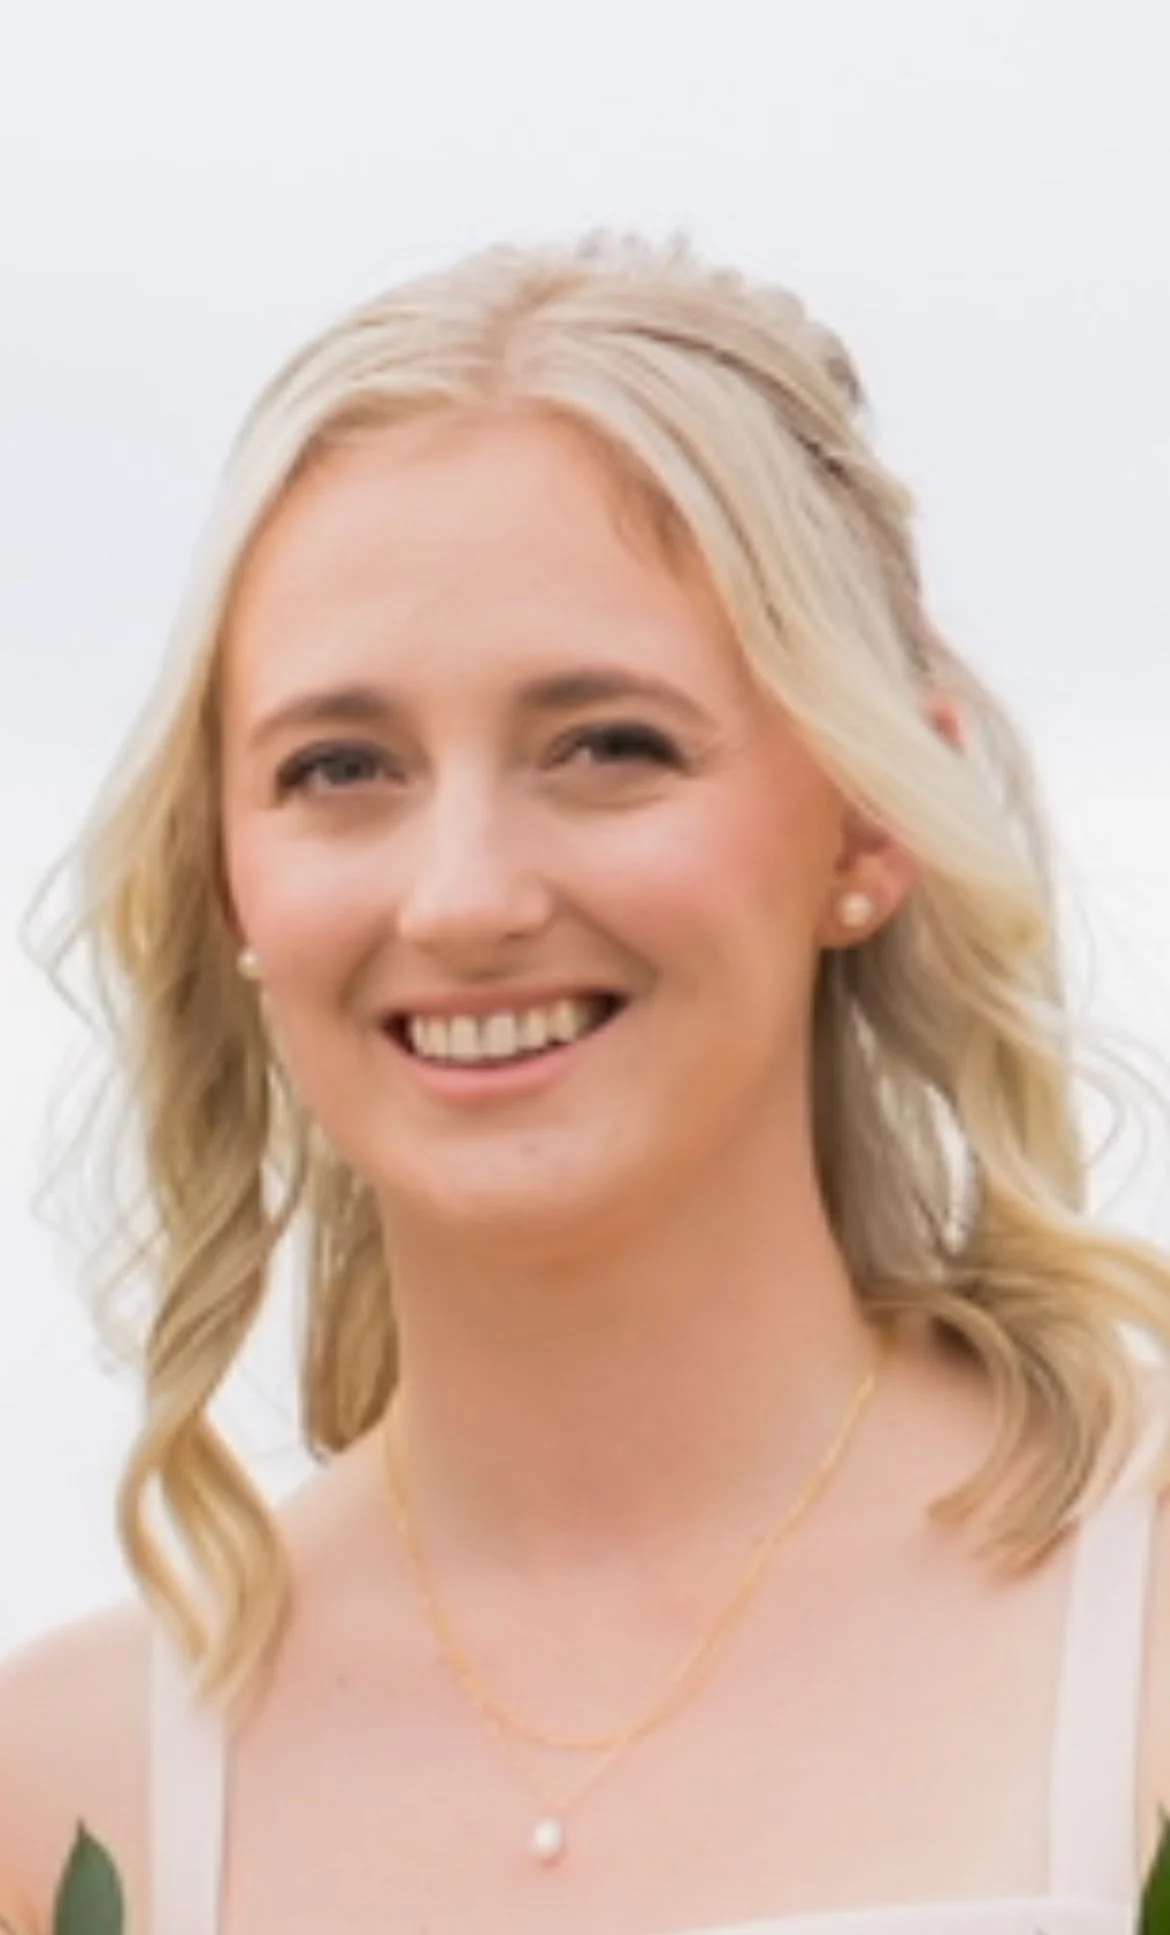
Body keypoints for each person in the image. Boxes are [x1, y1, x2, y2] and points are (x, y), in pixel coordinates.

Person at [0, 232, 1168, 1935]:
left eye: (607, 744)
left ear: (874, 815)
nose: (462, 894)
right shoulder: (63, 1792)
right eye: (340, 767)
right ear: (229, 869)